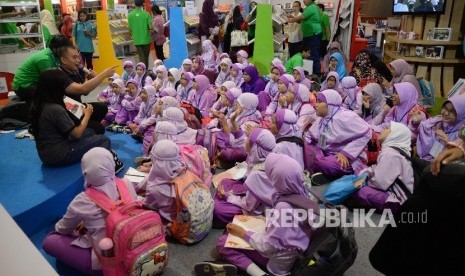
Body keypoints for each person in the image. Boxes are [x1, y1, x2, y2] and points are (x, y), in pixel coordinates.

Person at [208, 153, 311, 276]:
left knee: (223, 242)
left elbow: (267, 247)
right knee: (234, 230)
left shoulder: (283, 208)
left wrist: (243, 233)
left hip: (277, 263)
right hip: (289, 252)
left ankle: (259, 273)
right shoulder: (303, 194)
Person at [42, 148, 135, 275]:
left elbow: (63, 229)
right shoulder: (126, 183)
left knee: (49, 241)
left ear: (85, 172)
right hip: (133, 251)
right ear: (112, 165)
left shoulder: (82, 200)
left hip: (105, 263)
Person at [29, 69, 116, 167]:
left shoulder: (40, 103)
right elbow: (77, 134)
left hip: (46, 152)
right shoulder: (55, 109)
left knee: (90, 132)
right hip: (59, 154)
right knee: (104, 140)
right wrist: (87, 114)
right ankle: (102, 169)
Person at [213, 128, 276, 227]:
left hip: (257, 209)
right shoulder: (261, 158)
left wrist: (227, 196)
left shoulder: (258, 174)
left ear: (256, 147)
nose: (246, 141)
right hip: (251, 196)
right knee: (225, 182)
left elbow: (249, 205)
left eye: (249, 140)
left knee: (217, 209)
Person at [305, 89, 371, 179]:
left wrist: (346, 153)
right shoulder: (324, 118)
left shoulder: (345, 117)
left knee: (327, 164)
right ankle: (323, 171)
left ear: (330, 105)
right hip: (328, 152)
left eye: (320, 102)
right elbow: (311, 137)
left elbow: (367, 132)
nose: (316, 105)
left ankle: (324, 170)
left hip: (346, 156)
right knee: (306, 148)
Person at [351, 122, 413, 212]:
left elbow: (379, 183)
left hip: (398, 202)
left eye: (388, 129)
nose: (383, 130)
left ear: (395, 134)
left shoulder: (390, 153)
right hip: (398, 194)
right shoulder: (397, 151)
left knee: (358, 190)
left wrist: (360, 181)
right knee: (360, 172)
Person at [58, 45, 117, 134]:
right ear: (63, 60)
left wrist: (91, 78)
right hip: (67, 110)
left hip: (77, 106)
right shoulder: (59, 74)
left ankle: (87, 126)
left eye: (78, 57)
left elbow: (85, 90)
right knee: (99, 129)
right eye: (74, 58)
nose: (78, 61)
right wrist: (104, 74)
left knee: (102, 108)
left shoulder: (75, 71)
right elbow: (83, 89)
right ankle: (79, 129)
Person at [12, 35, 70, 102]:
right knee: (53, 94)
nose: (66, 52)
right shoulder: (44, 59)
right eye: (64, 49)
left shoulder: (54, 54)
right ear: (55, 48)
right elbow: (52, 80)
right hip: (23, 87)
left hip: (32, 83)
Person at [416, 95, 465, 161]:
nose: (446, 113)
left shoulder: (461, 133)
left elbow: (458, 159)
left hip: (444, 166)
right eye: (445, 108)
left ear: (461, 115)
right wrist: (416, 122)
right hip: (427, 160)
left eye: (452, 111)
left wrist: (448, 142)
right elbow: (421, 128)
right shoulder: (437, 121)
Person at [287, 0, 321, 76]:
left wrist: (288, 20)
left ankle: (316, 74)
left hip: (312, 35)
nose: (304, 0)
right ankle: (310, 72)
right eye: (294, 6)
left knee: (313, 54)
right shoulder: (309, 7)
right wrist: (291, 18)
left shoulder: (311, 7)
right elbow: (300, 21)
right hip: (308, 35)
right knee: (307, 55)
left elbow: (300, 18)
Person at [128, 0, 153, 67]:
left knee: (141, 57)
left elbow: (129, 28)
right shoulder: (146, 14)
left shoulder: (130, 15)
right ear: (142, 5)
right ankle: (145, 71)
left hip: (137, 39)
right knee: (146, 57)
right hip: (146, 39)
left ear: (134, 4)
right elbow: (150, 27)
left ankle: (143, 72)